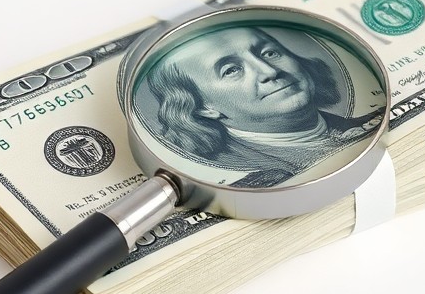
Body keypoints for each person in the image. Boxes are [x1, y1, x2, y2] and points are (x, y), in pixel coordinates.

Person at [142, 26, 381, 183]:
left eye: (268, 53)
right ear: (204, 107)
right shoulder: (241, 177)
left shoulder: (373, 122)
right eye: (232, 70)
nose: (269, 71)